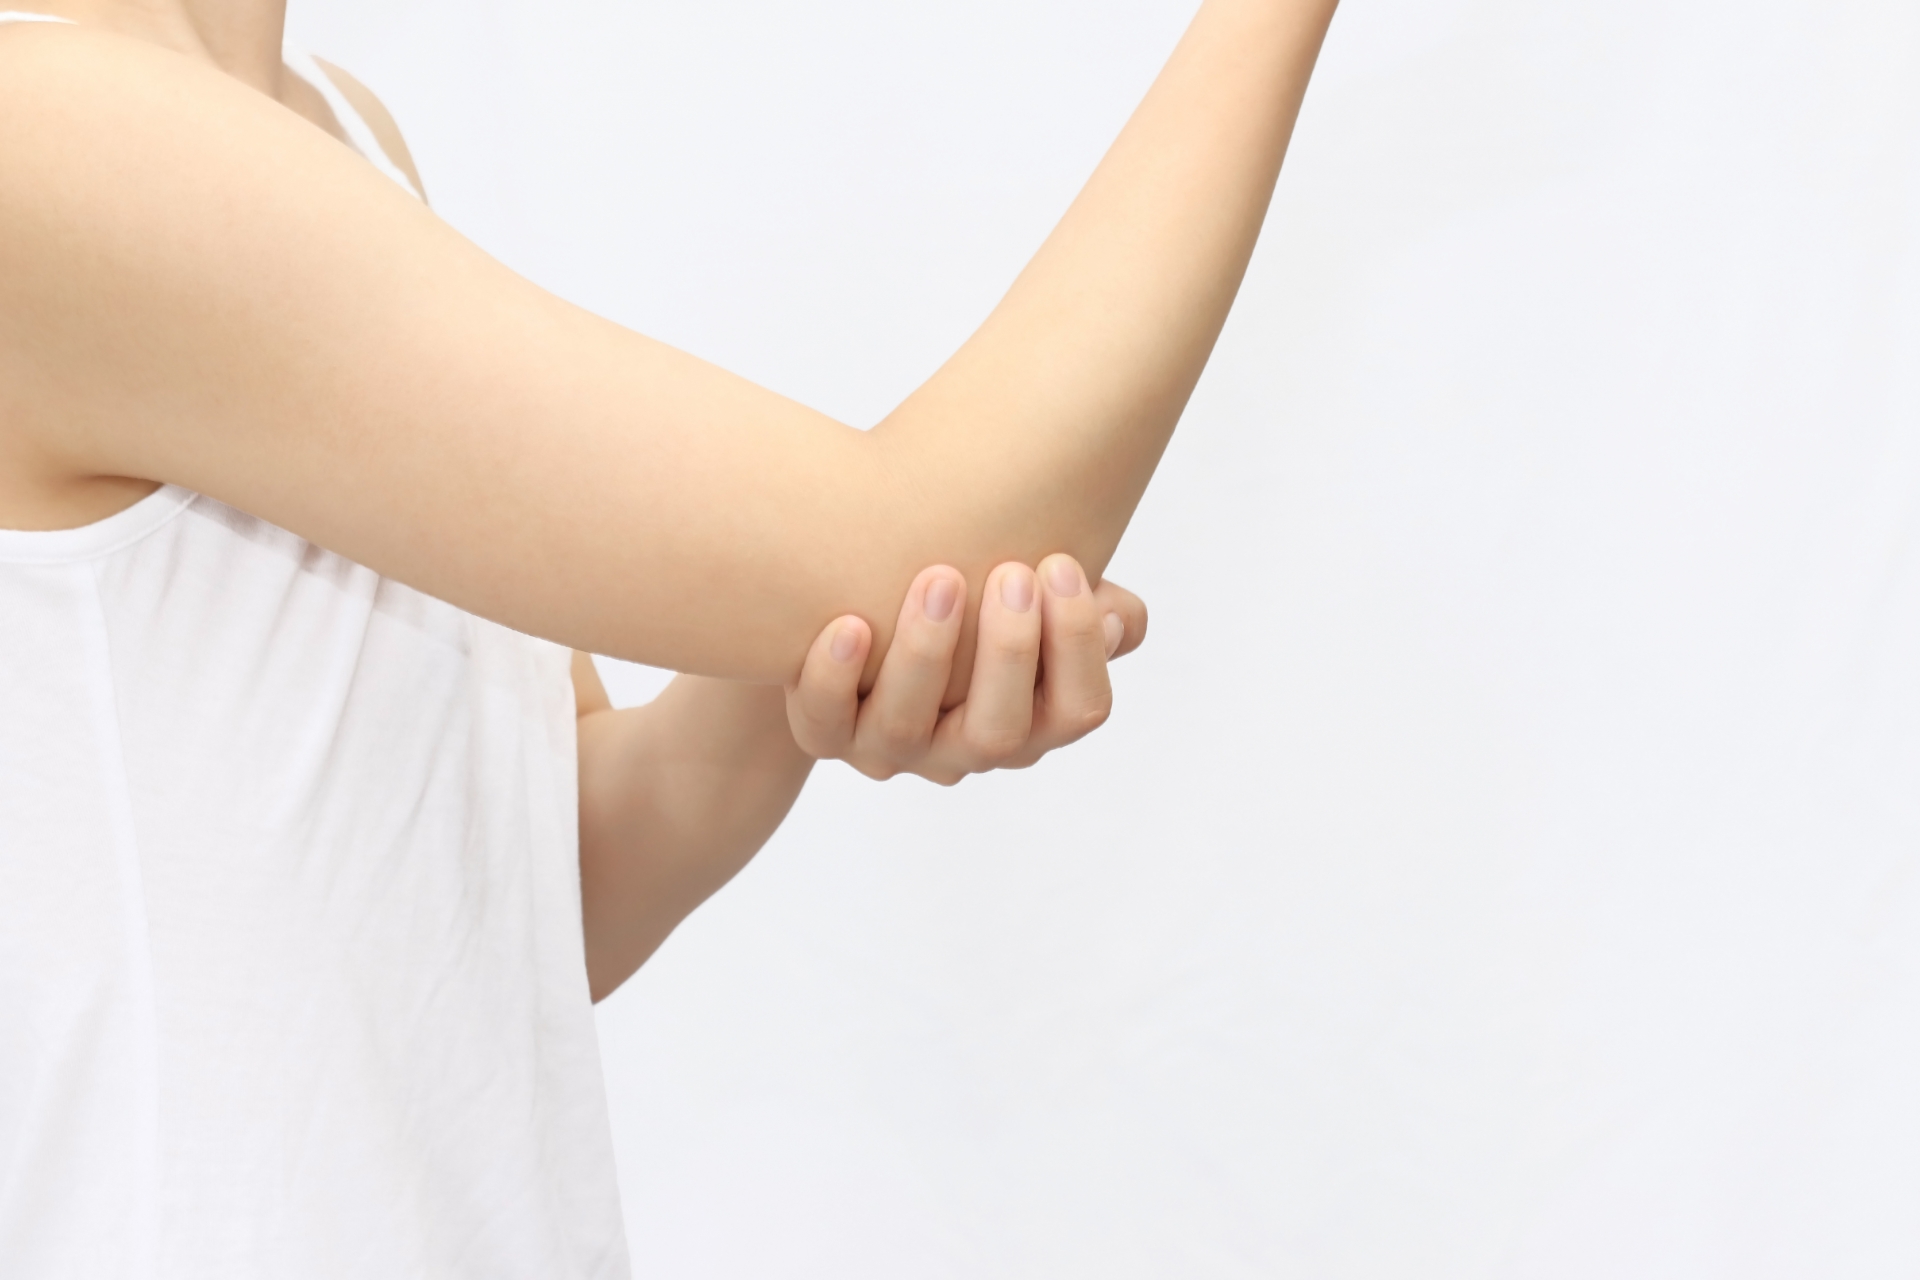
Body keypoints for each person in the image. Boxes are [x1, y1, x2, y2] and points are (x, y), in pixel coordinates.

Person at [0, 0, 1338, 1273]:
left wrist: (831, 645)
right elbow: (950, 524)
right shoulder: (51, 136)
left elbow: (552, 878)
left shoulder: (336, 133)